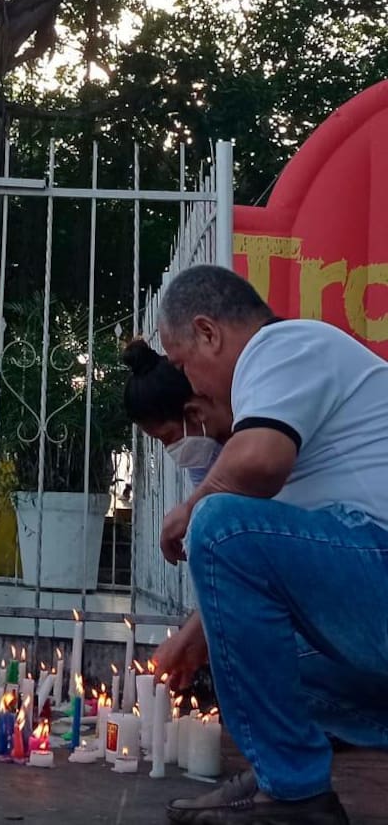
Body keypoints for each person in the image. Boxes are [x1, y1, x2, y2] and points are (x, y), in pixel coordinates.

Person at [151, 264, 388, 825]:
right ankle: (277, 777)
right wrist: (196, 637)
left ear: (208, 332)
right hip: (369, 587)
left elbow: (256, 463)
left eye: (183, 365)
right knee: (250, 649)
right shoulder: (288, 394)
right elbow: (271, 565)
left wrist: (191, 508)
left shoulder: (283, 345)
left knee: (221, 523)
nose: (192, 387)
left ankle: (294, 793)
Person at [121, 338, 231, 487]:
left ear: (193, 413)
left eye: (168, 437)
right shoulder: (205, 460)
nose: (169, 448)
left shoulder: (252, 411)